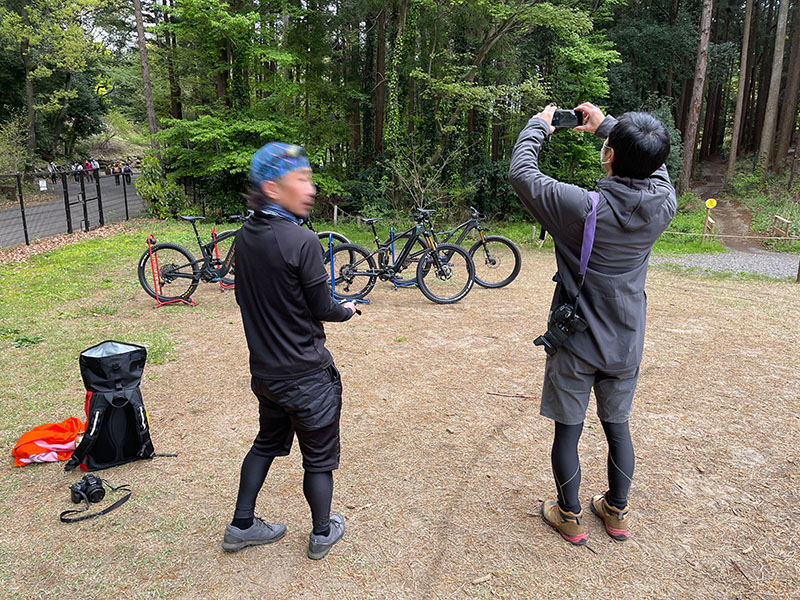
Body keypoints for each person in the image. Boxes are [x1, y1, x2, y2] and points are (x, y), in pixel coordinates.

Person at [509, 103, 676, 545]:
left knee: (569, 431)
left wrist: (539, 126)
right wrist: (610, 128)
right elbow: (654, 168)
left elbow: (523, 173)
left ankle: (569, 515)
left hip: (577, 340)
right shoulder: (664, 203)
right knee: (617, 427)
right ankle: (616, 510)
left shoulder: (581, 208)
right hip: (625, 341)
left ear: (610, 156)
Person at [222, 142, 357, 560]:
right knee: (318, 460)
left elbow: (251, 297)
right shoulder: (303, 240)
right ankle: (322, 532)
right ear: (272, 188)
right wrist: (347, 310)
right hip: (307, 376)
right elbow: (323, 307)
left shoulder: (244, 236)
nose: (311, 188)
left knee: (266, 443)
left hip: (267, 375)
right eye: (301, 179)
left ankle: (241, 525)